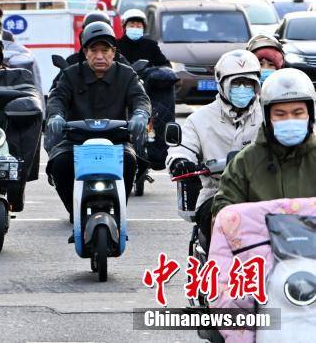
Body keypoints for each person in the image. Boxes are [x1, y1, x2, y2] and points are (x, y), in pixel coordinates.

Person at [44, 21, 151, 217]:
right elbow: (57, 99)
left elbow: (140, 99)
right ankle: (74, 210)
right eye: (94, 50)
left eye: (105, 50)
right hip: (76, 140)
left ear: (113, 52)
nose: (100, 56)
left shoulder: (126, 74)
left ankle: (120, 209)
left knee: (129, 160)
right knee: (59, 164)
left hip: (116, 140)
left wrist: (140, 115)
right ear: (85, 52)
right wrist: (56, 116)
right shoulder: (70, 74)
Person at [167, 49, 262, 251]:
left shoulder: (268, 116)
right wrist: (180, 162)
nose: (243, 88)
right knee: (220, 222)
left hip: (263, 192)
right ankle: (218, 269)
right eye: (236, 83)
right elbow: (183, 148)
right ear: (222, 84)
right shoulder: (199, 119)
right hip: (215, 193)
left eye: (248, 83)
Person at [211, 67, 316, 220]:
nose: (289, 119)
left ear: (310, 114)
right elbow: (224, 207)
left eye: (297, 113)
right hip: (262, 243)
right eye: (280, 114)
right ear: (267, 118)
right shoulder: (244, 163)